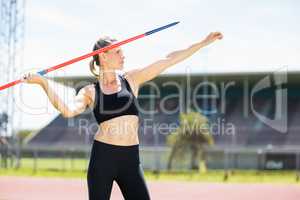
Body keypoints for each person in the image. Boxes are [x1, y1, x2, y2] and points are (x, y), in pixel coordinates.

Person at [22, 31, 223, 200]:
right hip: (103, 159)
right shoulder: (90, 91)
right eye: (118, 51)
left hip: (131, 160)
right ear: (104, 56)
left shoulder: (131, 80)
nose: (123, 55)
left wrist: (203, 43)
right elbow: (67, 110)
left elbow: (168, 60)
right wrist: (44, 83)